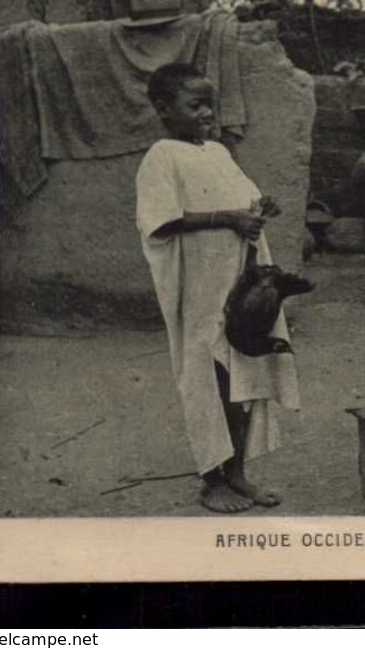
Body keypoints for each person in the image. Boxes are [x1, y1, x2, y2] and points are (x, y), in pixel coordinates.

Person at [135, 62, 298, 514]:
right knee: (207, 376)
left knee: (242, 370)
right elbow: (161, 220)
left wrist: (261, 206)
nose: (208, 112)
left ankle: (239, 472)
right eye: (196, 104)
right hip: (201, 287)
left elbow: (244, 201)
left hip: (238, 279)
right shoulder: (161, 157)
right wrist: (228, 217)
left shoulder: (217, 152)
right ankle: (212, 477)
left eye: (211, 103)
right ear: (165, 109)